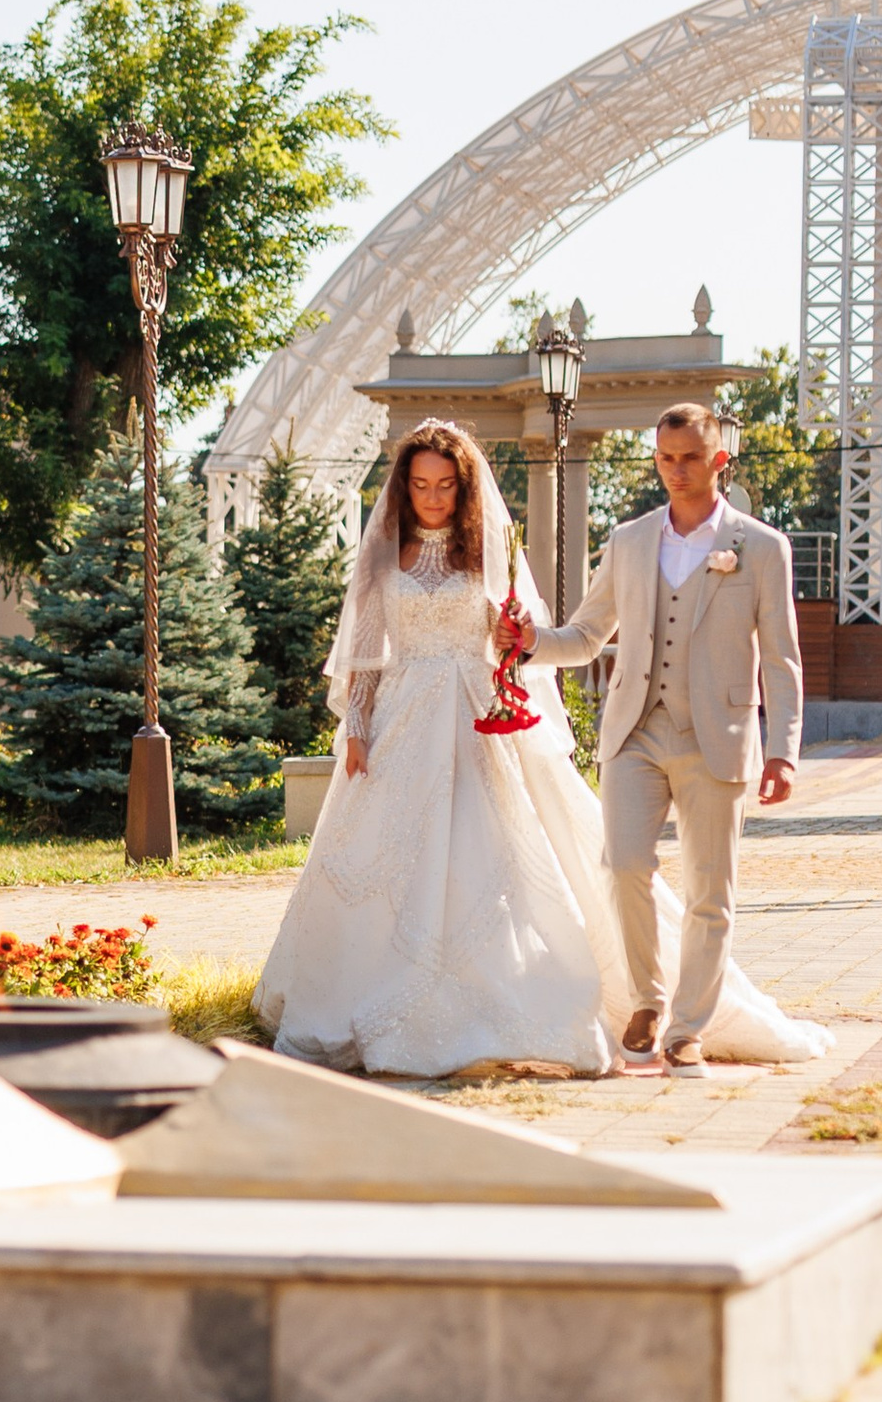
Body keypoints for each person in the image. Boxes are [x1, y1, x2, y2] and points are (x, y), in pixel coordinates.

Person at [253, 419, 825, 1081]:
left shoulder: (489, 544)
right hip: (401, 721)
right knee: (382, 862)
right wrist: (356, 722)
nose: (432, 499)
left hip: (477, 715)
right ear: (404, 488)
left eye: (444, 486)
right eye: (419, 486)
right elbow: (364, 650)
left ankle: (627, 1009)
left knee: (501, 859)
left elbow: (526, 636)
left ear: (463, 488)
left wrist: (514, 639)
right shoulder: (383, 549)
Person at [531, 397, 801, 1076]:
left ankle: (687, 1029)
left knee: (712, 892)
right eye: (665, 459)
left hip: (721, 735)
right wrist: (526, 643)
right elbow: (587, 635)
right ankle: (648, 1001)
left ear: (720, 460)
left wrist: (783, 751)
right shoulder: (627, 541)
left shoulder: (762, 548)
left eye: (689, 459)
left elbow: (782, 657)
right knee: (624, 864)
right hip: (636, 732)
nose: (676, 471)